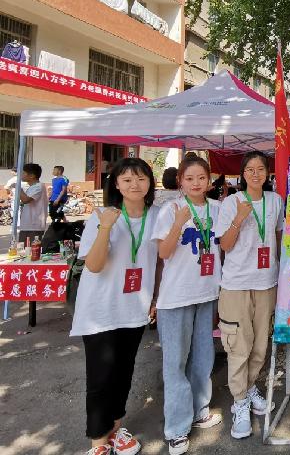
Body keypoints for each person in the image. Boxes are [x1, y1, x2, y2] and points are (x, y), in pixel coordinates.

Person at [69, 158, 160, 455]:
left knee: (124, 372)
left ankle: (116, 429)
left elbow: (158, 262)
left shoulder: (156, 215)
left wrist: (155, 297)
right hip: (100, 310)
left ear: (150, 183)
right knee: (100, 377)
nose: (135, 185)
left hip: (135, 307)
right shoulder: (102, 215)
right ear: (117, 184)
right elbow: (94, 265)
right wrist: (105, 228)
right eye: (128, 179)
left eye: (141, 178)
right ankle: (98, 442)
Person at [152, 156, 222, 455]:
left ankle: (199, 411)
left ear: (209, 181)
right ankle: (177, 429)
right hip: (176, 297)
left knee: (203, 357)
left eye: (201, 178)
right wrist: (178, 224)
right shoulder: (170, 210)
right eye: (190, 178)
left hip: (207, 293)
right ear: (180, 181)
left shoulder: (217, 208)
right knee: (175, 363)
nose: (196, 183)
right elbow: (164, 253)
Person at [217, 151, 284, 439]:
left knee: (259, 345)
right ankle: (239, 402)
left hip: (267, 282)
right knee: (238, 346)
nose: (255, 174)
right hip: (236, 284)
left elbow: (278, 236)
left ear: (268, 173)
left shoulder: (275, 200)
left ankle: (250, 387)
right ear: (242, 174)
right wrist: (238, 219)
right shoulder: (231, 202)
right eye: (250, 169)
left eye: (260, 169)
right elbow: (225, 245)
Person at [17, 163, 47, 246]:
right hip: (27, 225)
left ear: (32, 176)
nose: (21, 175)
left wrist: (19, 189)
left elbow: (26, 200)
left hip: (34, 225)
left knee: (31, 250)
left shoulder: (38, 186)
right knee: (23, 249)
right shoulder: (32, 187)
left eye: (24, 173)